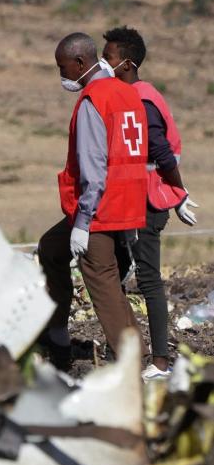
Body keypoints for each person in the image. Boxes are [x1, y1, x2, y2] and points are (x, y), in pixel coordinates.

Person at [36, 33, 148, 370]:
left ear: (81, 63)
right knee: (51, 248)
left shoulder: (93, 100)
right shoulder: (126, 93)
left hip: (99, 208)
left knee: (102, 283)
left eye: (63, 68)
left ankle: (134, 364)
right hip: (125, 204)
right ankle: (56, 336)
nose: (62, 75)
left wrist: (83, 222)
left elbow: (93, 169)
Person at [102, 26, 199, 379]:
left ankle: (159, 362)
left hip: (149, 201)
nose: (104, 62)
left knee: (148, 279)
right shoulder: (132, 96)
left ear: (126, 64)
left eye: (109, 56)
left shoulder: (141, 100)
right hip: (135, 199)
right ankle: (136, 351)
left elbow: (158, 151)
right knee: (130, 272)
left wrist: (179, 193)